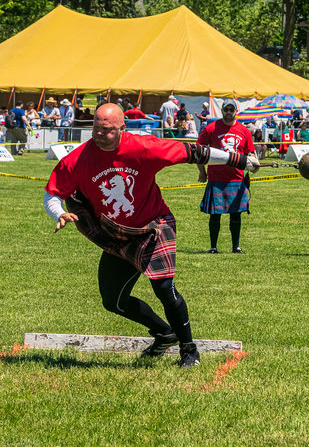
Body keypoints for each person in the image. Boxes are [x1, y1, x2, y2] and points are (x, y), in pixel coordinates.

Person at [43, 104, 259, 368]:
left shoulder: (144, 147)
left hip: (153, 225)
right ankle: (164, 333)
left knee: (164, 288)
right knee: (113, 301)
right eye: (96, 128)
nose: (99, 134)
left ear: (122, 128)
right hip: (116, 232)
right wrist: (59, 213)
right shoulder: (78, 159)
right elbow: (53, 192)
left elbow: (194, 152)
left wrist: (239, 160)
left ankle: (189, 350)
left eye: (107, 130)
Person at [197, 101, 256, 254]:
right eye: (226, 109)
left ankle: (235, 246)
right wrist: (201, 171)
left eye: (231, 109)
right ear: (222, 110)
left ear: (236, 110)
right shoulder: (211, 128)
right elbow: (199, 151)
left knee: (236, 215)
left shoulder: (244, 130)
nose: (229, 112)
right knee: (215, 215)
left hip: (237, 179)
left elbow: (250, 153)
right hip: (216, 179)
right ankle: (213, 247)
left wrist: (254, 165)